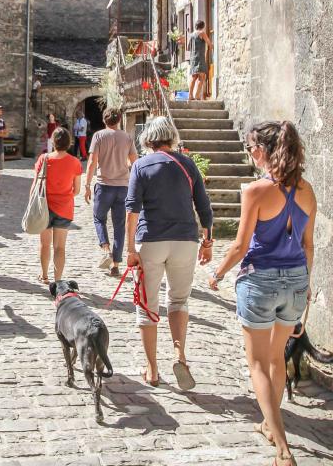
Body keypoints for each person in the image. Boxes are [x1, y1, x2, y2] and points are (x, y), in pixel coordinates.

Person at [209, 121, 315, 466]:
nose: (250, 154)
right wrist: (307, 285)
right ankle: (270, 425)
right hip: (296, 281)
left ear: (266, 151)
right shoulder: (307, 191)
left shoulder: (255, 190)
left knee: (257, 363)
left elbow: (240, 246)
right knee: (275, 360)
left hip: (261, 281)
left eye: (252, 148)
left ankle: (283, 448)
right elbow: (308, 246)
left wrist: (218, 273)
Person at [125, 116, 213, 389]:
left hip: (151, 240)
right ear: (171, 137)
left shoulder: (141, 165)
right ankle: (180, 355)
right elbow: (204, 206)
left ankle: (152, 369)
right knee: (178, 301)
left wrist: (129, 249)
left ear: (147, 139)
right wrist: (207, 242)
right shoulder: (187, 164)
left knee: (147, 306)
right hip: (185, 240)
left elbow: (132, 210)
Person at [85, 107, 138, 276]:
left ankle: (106, 249)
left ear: (104, 120)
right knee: (119, 225)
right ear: (119, 120)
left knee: (99, 218)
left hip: (104, 185)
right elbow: (134, 161)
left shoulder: (99, 136)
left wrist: (86, 184)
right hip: (123, 186)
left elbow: (92, 161)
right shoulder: (127, 137)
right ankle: (115, 264)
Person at [31, 127, 82, 284]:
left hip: (44, 207)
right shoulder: (75, 162)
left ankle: (44, 275)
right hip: (64, 208)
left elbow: (35, 185)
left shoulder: (44, 159)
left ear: (53, 141)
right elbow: (77, 190)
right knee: (60, 247)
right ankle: (58, 281)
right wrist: (64, 196)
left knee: (44, 244)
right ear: (69, 142)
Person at [188, 20, 213, 101]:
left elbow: (188, 47)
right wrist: (212, 46)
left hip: (193, 58)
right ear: (203, 26)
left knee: (194, 77)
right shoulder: (202, 33)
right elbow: (209, 43)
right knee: (201, 77)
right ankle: (197, 95)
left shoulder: (192, 35)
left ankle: (190, 95)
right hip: (200, 58)